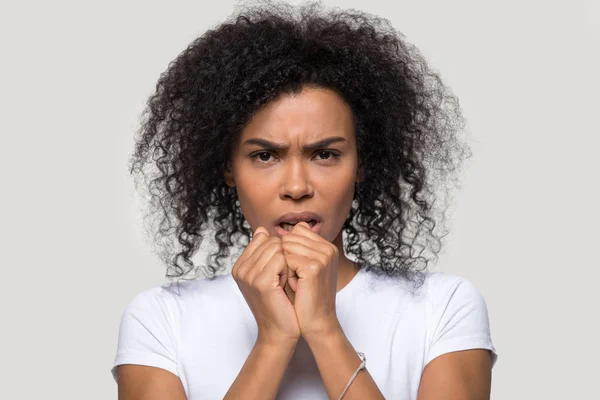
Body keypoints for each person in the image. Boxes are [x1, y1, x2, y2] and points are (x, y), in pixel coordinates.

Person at [111, 1, 498, 399]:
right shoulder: (161, 318)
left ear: (361, 164)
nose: (296, 186)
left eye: (325, 154)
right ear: (228, 168)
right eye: (265, 155)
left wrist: (325, 329)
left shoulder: (442, 307)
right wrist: (273, 340)